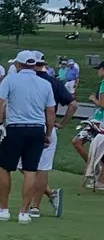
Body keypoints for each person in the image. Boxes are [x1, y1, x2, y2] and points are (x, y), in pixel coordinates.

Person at [0, 50, 55, 224]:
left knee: (4, 167)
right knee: (31, 170)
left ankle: (3, 209)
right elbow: (51, 111)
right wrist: (48, 134)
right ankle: (24, 213)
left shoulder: (11, 79)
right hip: (37, 130)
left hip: (15, 129)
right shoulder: (45, 84)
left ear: (18, 65)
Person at [32, 56, 77, 218]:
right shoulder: (55, 82)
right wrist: (62, 123)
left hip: (34, 126)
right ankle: (49, 195)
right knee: (37, 168)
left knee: (30, 167)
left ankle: (36, 206)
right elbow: (72, 105)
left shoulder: (27, 80)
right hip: (48, 127)